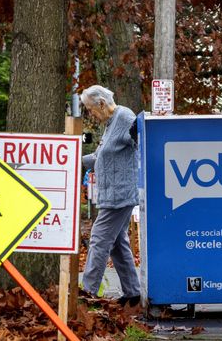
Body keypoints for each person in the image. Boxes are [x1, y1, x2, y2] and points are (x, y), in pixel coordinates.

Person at [80, 85, 141, 307]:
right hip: (114, 194)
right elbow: (100, 156)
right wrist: (76, 157)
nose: (90, 114)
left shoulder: (124, 117)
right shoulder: (110, 124)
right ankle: (133, 293)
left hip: (119, 195)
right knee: (116, 243)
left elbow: (139, 143)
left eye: (90, 109)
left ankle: (88, 292)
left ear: (102, 104)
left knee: (98, 239)